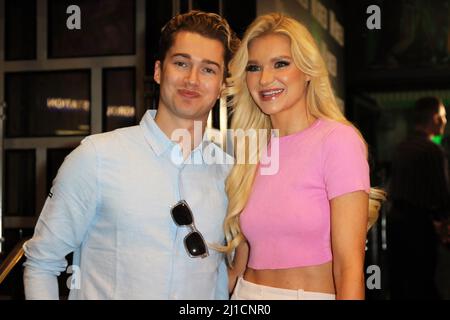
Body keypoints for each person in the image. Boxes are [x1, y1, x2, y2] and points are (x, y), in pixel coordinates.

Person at [22, 10, 240, 300]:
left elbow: (221, 278)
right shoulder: (96, 157)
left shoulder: (231, 173)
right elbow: (41, 262)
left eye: (208, 69)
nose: (192, 79)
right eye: (181, 63)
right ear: (159, 70)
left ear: (222, 85)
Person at [221, 13, 384, 300]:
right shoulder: (251, 149)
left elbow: (349, 269)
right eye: (254, 67)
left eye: (281, 64)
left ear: (308, 71)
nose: (265, 79)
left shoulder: (337, 141)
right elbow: (245, 254)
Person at [387, 96, 450, 299]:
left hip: (396, 224)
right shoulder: (432, 150)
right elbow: (442, 196)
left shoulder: (400, 148)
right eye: (443, 116)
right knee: (424, 284)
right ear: (435, 119)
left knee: (401, 284)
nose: (446, 121)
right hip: (420, 227)